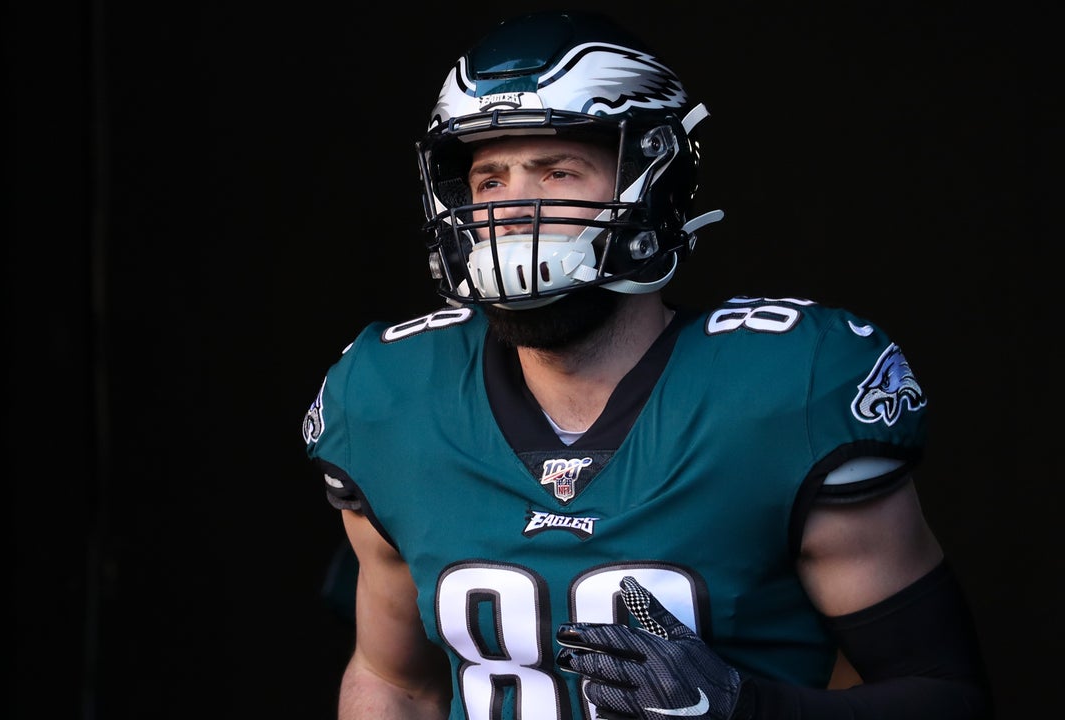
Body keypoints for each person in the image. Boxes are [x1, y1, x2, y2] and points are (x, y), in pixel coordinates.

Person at [301, 10, 991, 719]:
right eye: (490, 179)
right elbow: (393, 682)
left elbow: (945, 697)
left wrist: (746, 709)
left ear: (652, 185)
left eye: (556, 171)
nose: (511, 208)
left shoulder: (787, 391)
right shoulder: (393, 398)